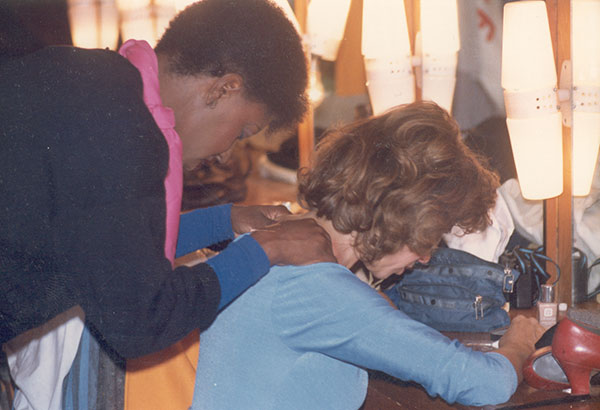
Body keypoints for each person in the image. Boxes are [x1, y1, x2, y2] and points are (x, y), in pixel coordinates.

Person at [0, 0, 335, 408]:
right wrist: (266, 249)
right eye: (243, 130)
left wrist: (224, 220)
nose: (228, 154)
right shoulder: (124, 129)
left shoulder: (95, 82)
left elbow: (108, 248)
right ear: (224, 87)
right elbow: (140, 319)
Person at [191, 101, 546, 409]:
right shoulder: (321, 289)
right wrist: (519, 341)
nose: (425, 258)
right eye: (430, 237)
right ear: (402, 214)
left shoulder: (268, 244)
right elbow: (484, 383)